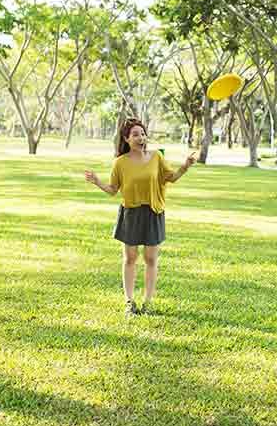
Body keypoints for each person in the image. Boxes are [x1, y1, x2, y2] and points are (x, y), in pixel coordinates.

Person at [84, 118, 196, 316]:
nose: (140, 137)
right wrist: (96, 181)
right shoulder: (120, 163)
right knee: (130, 258)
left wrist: (185, 166)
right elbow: (113, 190)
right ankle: (129, 301)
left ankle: (147, 302)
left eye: (142, 133)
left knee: (151, 258)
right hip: (131, 213)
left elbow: (171, 178)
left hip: (153, 212)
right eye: (135, 134)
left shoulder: (156, 157)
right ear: (127, 139)